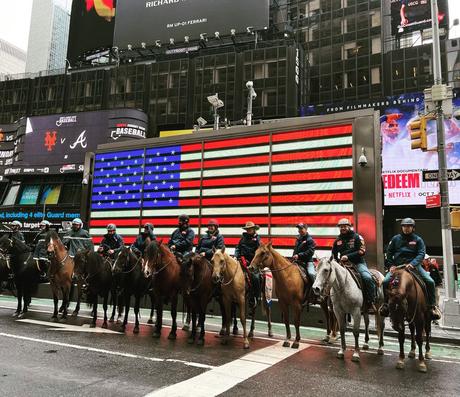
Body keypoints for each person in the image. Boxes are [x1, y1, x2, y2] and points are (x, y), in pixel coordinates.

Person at [381, 218, 441, 320]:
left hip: (414, 267)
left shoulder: (418, 240)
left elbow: (421, 254)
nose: (406, 228)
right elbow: (389, 253)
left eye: (408, 226)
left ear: (413, 228)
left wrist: (413, 264)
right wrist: (391, 265)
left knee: (430, 282)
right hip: (398, 267)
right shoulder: (395, 239)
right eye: (404, 226)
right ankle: (385, 304)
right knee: (385, 281)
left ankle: (432, 307)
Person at [331, 218, 376, 308]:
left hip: (358, 263)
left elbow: (362, 251)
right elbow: (334, 254)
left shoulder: (357, 237)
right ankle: (330, 302)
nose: (342, 228)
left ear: (349, 227)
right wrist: (334, 262)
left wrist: (348, 256)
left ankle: (371, 301)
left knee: (367, 278)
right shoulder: (337, 240)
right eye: (340, 227)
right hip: (343, 264)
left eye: (344, 226)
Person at [235, 221, 262, 307]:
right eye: (247, 229)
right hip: (241, 260)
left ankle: (255, 297)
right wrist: (236, 256)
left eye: (250, 229)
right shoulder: (242, 238)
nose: (249, 230)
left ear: (254, 229)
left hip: (252, 262)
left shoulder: (257, 238)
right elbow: (237, 248)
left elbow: (259, 251)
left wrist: (254, 261)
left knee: (256, 277)